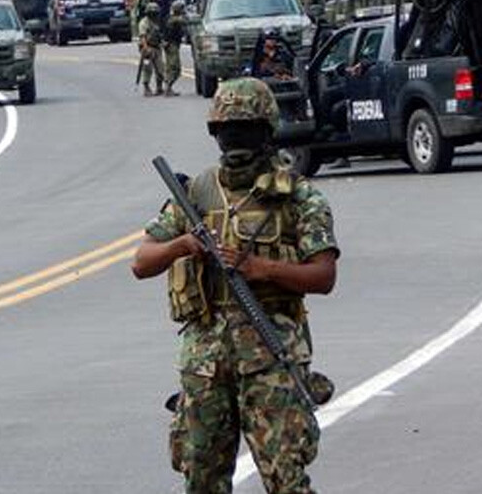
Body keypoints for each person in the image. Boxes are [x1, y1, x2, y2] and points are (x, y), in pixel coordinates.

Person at [131, 77, 339, 494]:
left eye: (245, 129)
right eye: (227, 130)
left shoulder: (297, 197)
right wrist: (185, 244)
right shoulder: (196, 193)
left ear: (267, 132)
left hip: (271, 357)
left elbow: (323, 276)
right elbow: (141, 262)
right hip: (205, 363)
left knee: (287, 480)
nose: (234, 139)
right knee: (201, 478)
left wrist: (263, 269)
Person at [138, 3, 166, 97]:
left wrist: (162, 43)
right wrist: (146, 48)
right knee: (147, 68)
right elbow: (143, 36)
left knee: (160, 68)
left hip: (157, 47)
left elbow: (160, 35)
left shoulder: (157, 22)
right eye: (152, 13)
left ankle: (159, 87)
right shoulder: (144, 22)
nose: (154, 14)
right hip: (147, 48)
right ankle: (146, 87)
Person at [162, 1, 188, 97]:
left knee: (170, 67)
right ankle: (168, 87)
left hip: (172, 44)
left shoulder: (170, 18)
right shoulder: (174, 19)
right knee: (175, 68)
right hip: (171, 45)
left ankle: (168, 88)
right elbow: (184, 21)